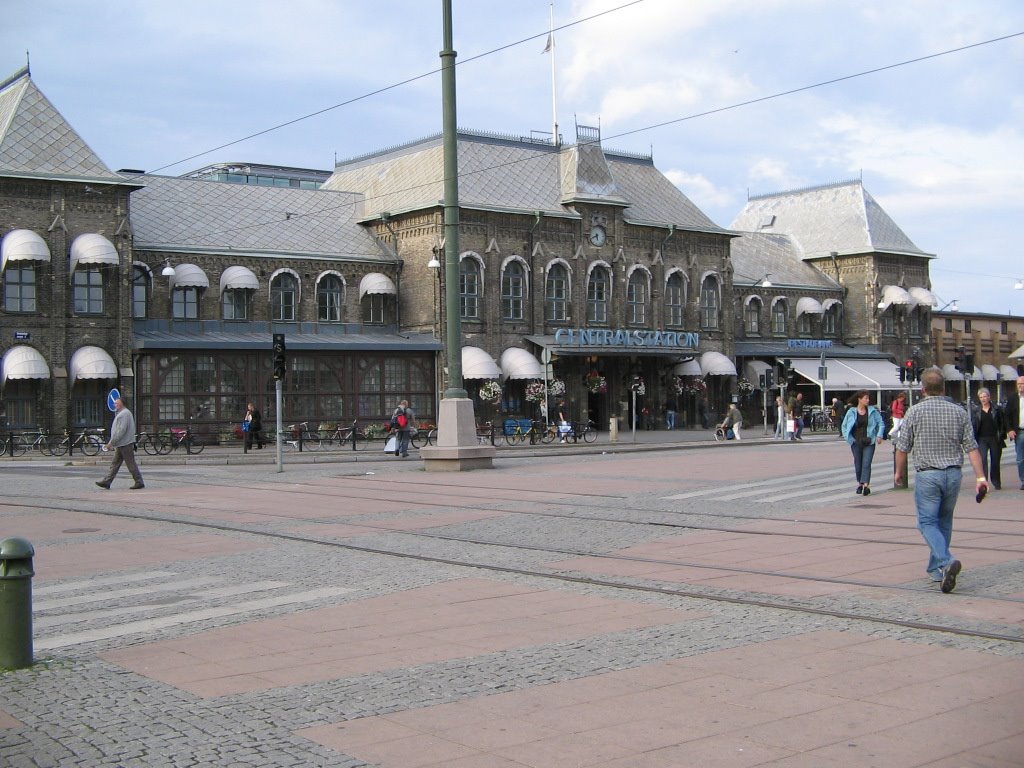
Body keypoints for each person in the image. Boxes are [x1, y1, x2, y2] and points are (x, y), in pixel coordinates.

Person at [893, 367, 988, 593]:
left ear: (923, 389)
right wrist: (981, 477)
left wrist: (899, 472)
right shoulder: (958, 412)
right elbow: (972, 447)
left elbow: (902, 447)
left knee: (926, 522)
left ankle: (946, 561)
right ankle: (936, 570)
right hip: (953, 474)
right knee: (944, 521)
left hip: (928, 475)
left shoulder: (914, 412)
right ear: (944, 388)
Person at [840, 390, 885, 496]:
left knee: (866, 463)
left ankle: (866, 485)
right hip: (856, 442)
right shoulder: (851, 411)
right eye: (865, 398)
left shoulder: (872, 411)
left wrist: (879, 435)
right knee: (858, 464)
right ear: (859, 399)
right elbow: (844, 426)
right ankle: (860, 483)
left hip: (870, 441)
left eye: (868, 398)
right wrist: (849, 438)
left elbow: (881, 423)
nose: (868, 400)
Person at [96, 398, 144, 490]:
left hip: (124, 443)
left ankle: (139, 481)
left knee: (130, 463)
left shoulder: (124, 414)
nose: (115, 405)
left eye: (117, 403)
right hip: (121, 443)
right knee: (115, 463)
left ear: (122, 404)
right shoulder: (124, 413)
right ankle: (107, 481)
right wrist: (113, 442)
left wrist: (111, 443)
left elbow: (120, 431)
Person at [970, 388, 1006, 491]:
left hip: (994, 438)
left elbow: (1002, 423)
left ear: (989, 397)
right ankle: (984, 483)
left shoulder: (996, 409)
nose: (983, 399)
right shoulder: (976, 410)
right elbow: (973, 424)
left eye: (985, 396)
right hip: (982, 439)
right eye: (981, 397)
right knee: (983, 460)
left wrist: (1002, 434)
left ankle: (996, 482)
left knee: (995, 461)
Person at [1003, 375, 1024, 491]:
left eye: (1022, 384)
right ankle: (1023, 480)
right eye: (1019, 384)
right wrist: (1009, 429)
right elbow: (1007, 416)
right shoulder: (1013, 398)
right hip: (1019, 432)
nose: (1020, 387)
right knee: (1020, 458)